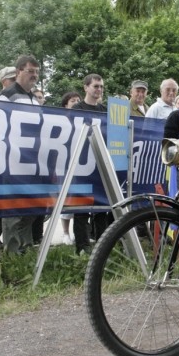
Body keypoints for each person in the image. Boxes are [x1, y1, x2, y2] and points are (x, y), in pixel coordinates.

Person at [0, 55, 41, 252]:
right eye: (31, 71)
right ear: (18, 72)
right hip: (12, 161)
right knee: (13, 209)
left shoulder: (34, 99)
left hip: (31, 162)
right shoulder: (6, 95)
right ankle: (12, 253)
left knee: (29, 208)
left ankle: (26, 250)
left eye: (37, 72)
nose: (34, 76)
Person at [72, 74, 111, 255]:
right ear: (86, 87)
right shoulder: (76, 109)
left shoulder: (105, 110)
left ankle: (102, 247)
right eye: (96, 86)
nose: (99, 90)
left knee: (102, 208)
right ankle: (82, 247)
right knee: (81, 209)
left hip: (100, 164)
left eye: (101, 86)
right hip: (81, 164)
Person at [58, 92, 81, 245]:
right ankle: (65, 233)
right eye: (73, 101)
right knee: (67, 200)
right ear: (66, 104)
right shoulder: (61, 120)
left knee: (79, 200)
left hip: (82, 166)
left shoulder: (82, 119)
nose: (76, 103)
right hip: (65, 164)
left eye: (78, 100)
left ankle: (78, 234)